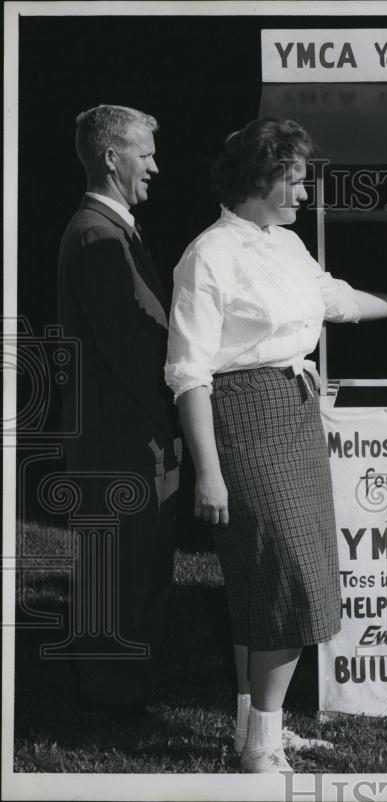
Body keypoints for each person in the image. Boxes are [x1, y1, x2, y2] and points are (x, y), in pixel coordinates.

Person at [164, 118, 387, 772]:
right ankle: (263, 747)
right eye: (293, 181)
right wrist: (208, 472)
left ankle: (250, 727)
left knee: (257, 581)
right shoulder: (208, 255)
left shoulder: (286, 244)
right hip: (244, 416)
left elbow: (338, 301)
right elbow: (188, 372)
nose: (303, 193)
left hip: (296, 413)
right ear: (257, 178)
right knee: (289, 577)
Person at [57, 104, 180, 713]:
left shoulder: (111, 229)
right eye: (145, 154)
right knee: (120, 573)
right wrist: (181, 411)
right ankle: (111, 698)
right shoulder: (98, 236)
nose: (155, 166)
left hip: (135, 438)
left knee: (142, 568)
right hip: (121, 442)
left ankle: (129, 687)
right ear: (111, 157)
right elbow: (130, 349)